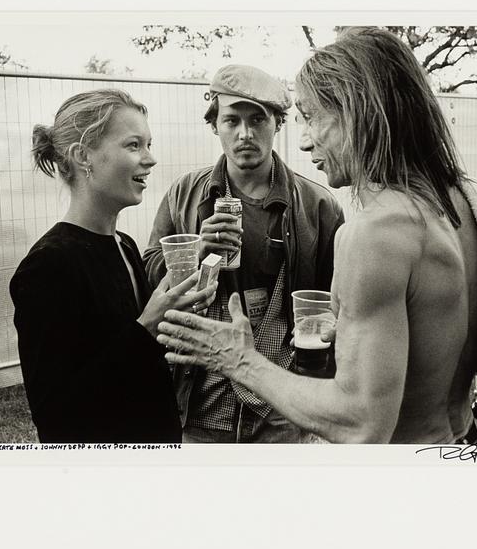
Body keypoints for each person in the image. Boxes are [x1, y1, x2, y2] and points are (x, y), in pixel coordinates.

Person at [156, 29, 477, 444]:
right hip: (459, 444)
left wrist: (239, 359)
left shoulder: (374, 231)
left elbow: (360, 422)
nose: (304, 141)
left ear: (356, 110)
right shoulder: (473, 205)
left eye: (311, 117)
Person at [143, 65, 345, 443]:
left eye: (258, 120)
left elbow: (333, 304)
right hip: (204, 401)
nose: (245, 134)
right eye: (232, 120)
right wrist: (195, 249)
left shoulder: (319, 205)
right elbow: (150, 269)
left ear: (278, 124)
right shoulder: (184, 193)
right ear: (214, 125)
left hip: (282, 405)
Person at [9, 89, 216, 444]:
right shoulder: (47, 266)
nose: (150, 160)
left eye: (149, 144)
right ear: (83, 156)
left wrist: (174, 314)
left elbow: (135, 355)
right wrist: (147, 326)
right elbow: (56, 415)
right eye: (134, 145)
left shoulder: (125, 245)